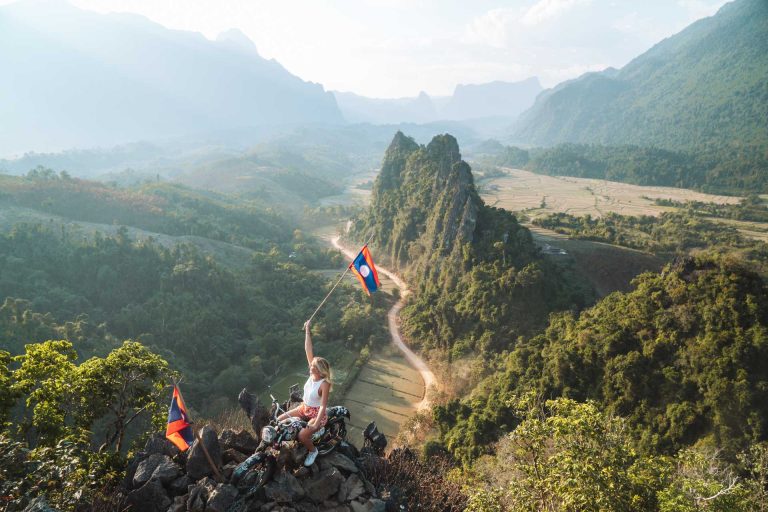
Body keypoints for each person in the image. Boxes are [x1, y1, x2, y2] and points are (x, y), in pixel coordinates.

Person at [277, 320, 332, 466]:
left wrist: (315, 424)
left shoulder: (324, 384)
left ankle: (313, 451)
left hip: (316, 414)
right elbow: (308, 350)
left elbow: (322, 406)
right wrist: (307, 329)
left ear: (319, 370)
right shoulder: (312, 375)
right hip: (304, 408)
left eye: (313, 366)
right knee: (279, 421)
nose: (310, 366)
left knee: (302, 436)